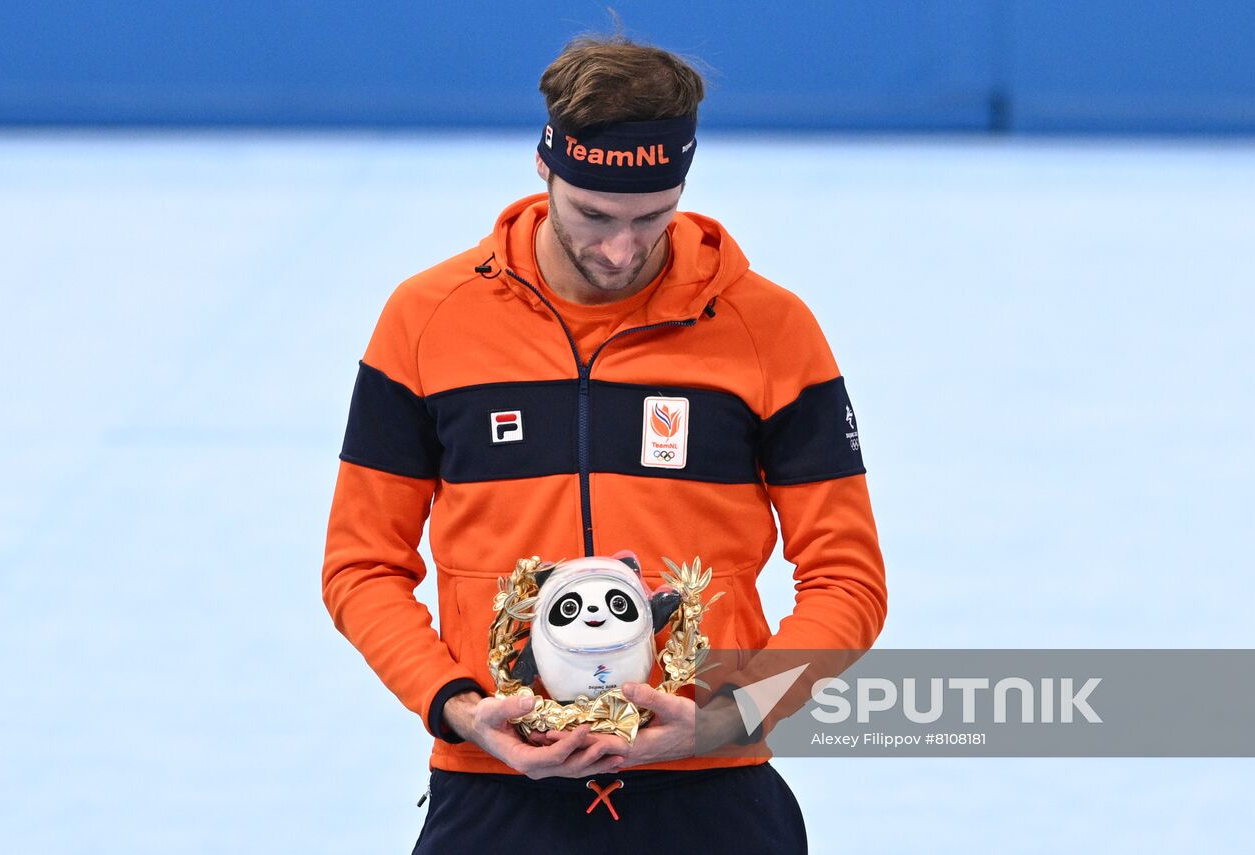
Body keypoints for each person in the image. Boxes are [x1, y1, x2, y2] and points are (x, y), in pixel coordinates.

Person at [321, 33, 886, 853]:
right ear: (544, 168)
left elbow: (849, 581)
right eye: (593, 214)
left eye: (653, 218)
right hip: (493, 789)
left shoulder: (771, 331)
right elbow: (360, 565)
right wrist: (457, 707)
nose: (621, 251)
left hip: (714, 789)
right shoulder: (427, 321)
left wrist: (727, 717)